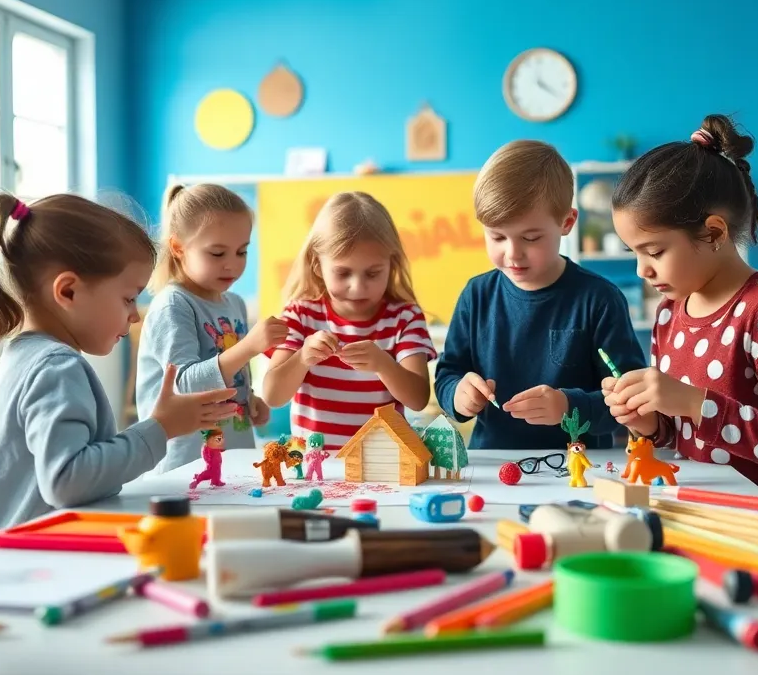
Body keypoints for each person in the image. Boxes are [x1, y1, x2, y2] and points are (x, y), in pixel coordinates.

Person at [0, 194, 235, 541]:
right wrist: (161, 428)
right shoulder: (55, 367)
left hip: (7, 557)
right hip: (26, 560)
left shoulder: (21, 356)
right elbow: (67, 480)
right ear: (68, 292)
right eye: (128, 298)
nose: (135, 315)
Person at [605, 115, 758, 511]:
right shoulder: (668, 313)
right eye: (635, 253)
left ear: (714, 233)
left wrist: (696, 403)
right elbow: (686, 435)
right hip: (705, 512)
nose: (642, 270)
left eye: (655, 252)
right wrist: (651, 424)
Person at [434, 140, 646, 450]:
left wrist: (568, 406)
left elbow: (631, 399)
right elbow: (448, 374)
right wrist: (457, 395)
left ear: (567, 223)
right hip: (493, 463)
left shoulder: (600, 299)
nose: (513, 253)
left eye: (531, 238)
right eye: (497, 236)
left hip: (579, 465)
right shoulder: (475, 296)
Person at [261, 192, 436, 449]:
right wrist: (302, 358)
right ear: (317, 265)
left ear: (391, 263)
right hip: (316, 462)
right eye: (343, 273)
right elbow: (272, 395)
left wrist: (383, 364)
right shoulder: (300, 315)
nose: (358, 287)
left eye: (373, 273)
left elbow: (418, 399)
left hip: (380, 460)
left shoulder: (405, 318)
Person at [137, 184, 285, 474]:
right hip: (185, 465)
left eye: (242, 252)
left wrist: (249, 399)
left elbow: (230, 375)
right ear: (178, 248)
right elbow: (184, 385)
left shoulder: (234, 304)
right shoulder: (173, 305)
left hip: (234, 457)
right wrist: (249, 347)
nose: (232, 265)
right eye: (217, 254)